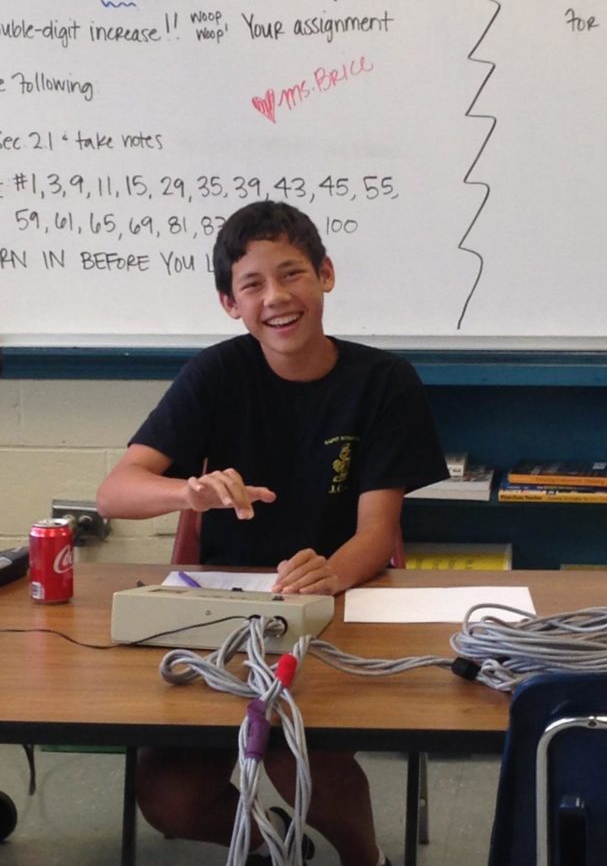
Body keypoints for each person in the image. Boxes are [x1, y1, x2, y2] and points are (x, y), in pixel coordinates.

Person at [97, 200, 448, 866]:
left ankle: (363, 857)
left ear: (325, 275)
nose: (277, 298)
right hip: (223, 618)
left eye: (292, 275)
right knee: (168, 795)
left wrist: (331, 573)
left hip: (335, 611)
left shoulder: (383, 382)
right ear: (230, 303)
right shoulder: (216, 373)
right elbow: (115, 492)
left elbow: (378, 532)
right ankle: (275, 847)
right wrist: (187, 491)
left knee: (296, 751)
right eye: (252, 285)